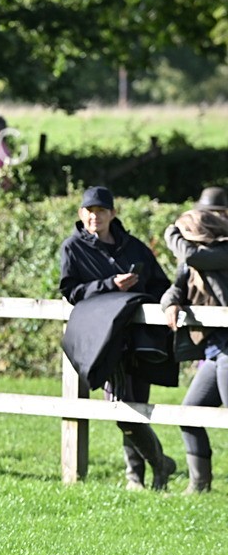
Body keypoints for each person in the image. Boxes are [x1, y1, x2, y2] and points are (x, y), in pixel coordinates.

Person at [59, 185, 176, 490]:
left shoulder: (134, 247)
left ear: (112, 213)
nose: (94, 216)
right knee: (122, 408)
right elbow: (71, 292)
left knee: (137, 406)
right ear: (81, 214)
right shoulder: (73, 248)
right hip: (105, 339)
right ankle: (161, 464)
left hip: (140, 339)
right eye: (89, 211)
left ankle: (137, 477)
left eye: (100, 211)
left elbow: (161, 284)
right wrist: (110, 284)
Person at [160, 186, 228, 493]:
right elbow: (179, 283)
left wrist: (171, 234)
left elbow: (191, 257)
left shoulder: (222, 250)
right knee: (189, 413)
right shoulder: (195, 251)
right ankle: (199, 486)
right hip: (216, 350)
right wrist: (170, 302)